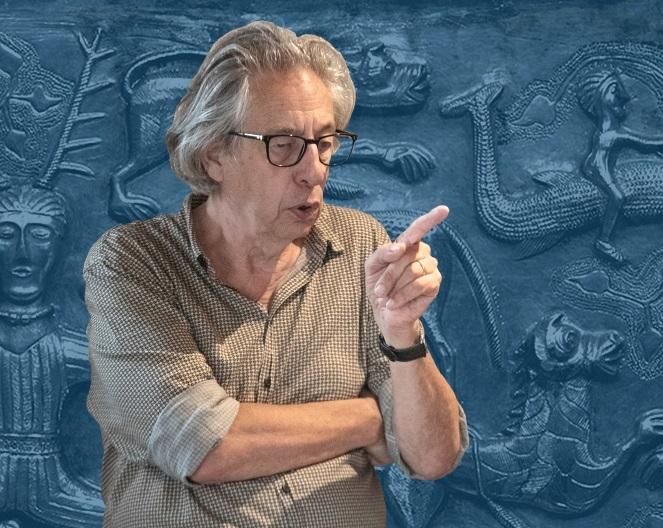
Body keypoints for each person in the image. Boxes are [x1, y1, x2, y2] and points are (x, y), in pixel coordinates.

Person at [83, 21, 467, 527]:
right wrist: (371, 418)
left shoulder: (361, 245)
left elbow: (434, 456)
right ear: (214, 154)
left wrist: (403, 335)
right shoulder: (132, 262)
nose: (316, 169)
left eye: (325, 141)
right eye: (284, 145)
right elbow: (201, 445)